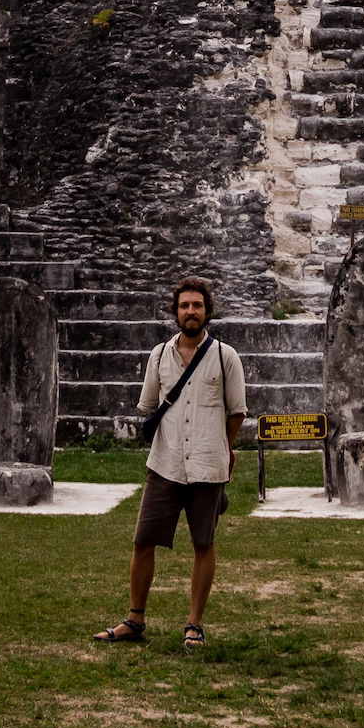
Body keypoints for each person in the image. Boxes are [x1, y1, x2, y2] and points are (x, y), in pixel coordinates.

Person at [94, 276, 245, 650]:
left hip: (208, 466)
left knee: (203, 543)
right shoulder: (159, 355)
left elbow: (236, 413)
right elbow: (148, 406)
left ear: (207, 311)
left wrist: (223, 451)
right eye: (183, 306)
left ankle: (194, 623)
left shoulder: (226, 357)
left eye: (196, 305)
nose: (190, 311)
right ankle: (135, 619)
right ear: (175, 312)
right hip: (165, 463)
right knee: (143, 541)